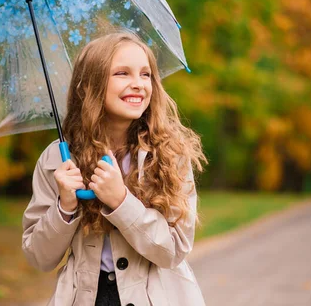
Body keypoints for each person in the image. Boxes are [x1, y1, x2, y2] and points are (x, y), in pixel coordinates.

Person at [22, 31, 206, 305]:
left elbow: (174, 250)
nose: (138, 84)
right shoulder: (58, 159)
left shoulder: (170, 154)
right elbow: (39, 256)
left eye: (145, 75)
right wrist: (64, 207)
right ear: (89, 86)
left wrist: (121, 201)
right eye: (122, 73)